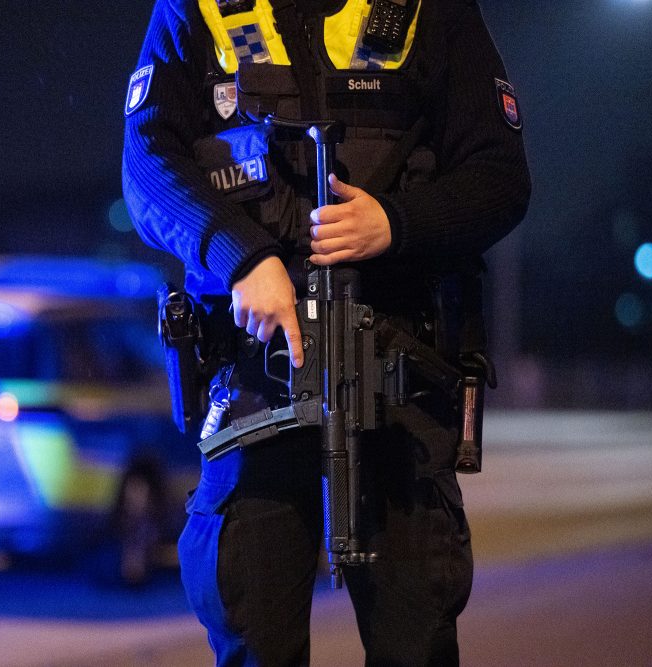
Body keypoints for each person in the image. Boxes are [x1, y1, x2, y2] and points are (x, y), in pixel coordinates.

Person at [123, 0, 530, 663]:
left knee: (416, 642)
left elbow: (502, 174)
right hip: (256, 384)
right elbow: (145, 163)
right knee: (254, 635)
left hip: (397, 377)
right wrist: (240, 257)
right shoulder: (194, 9)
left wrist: (396, 223)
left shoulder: (434, 8)